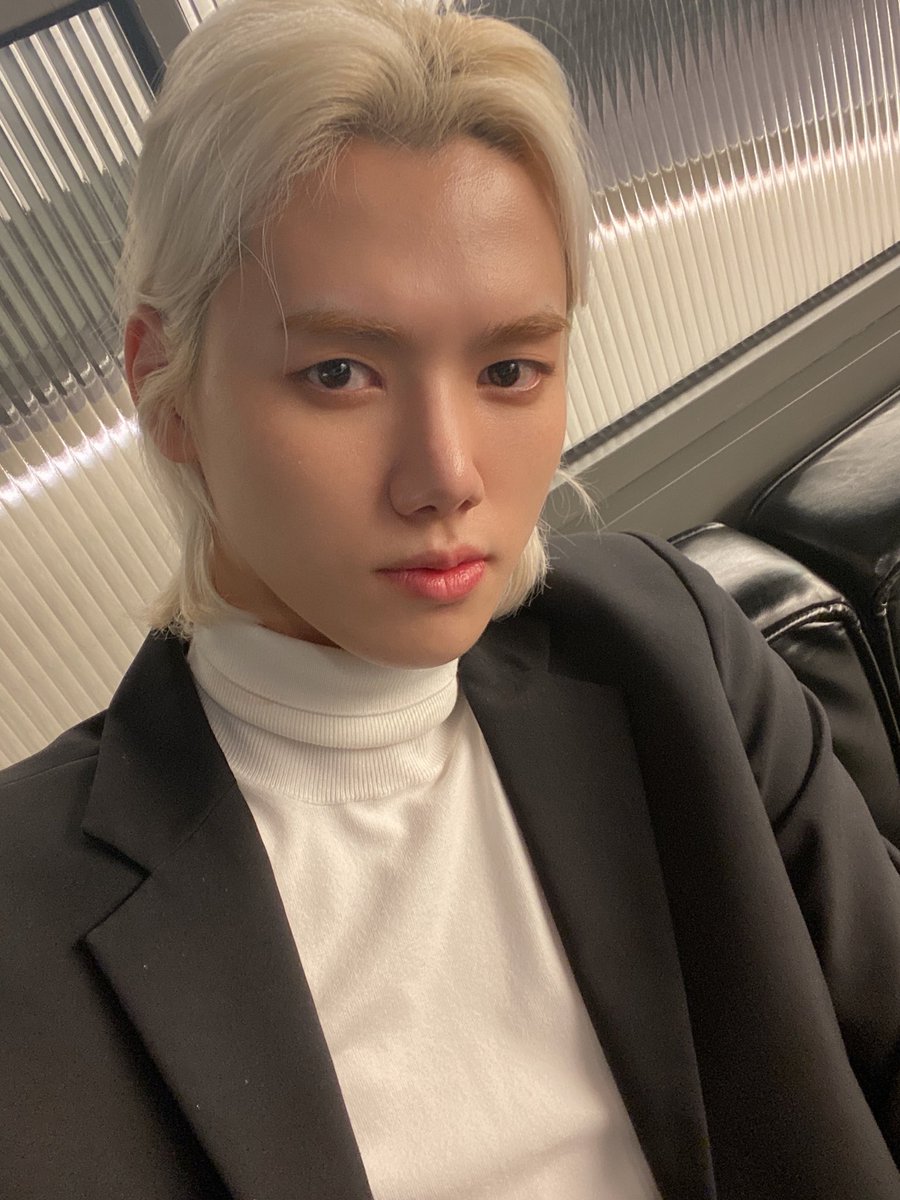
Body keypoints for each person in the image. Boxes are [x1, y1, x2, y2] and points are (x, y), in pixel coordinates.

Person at [1, 1, 899, 1197]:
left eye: (509, 369)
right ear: (164, 383)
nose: (447, 475)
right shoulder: (26, 920)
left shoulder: (663, 642)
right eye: (340, 373)